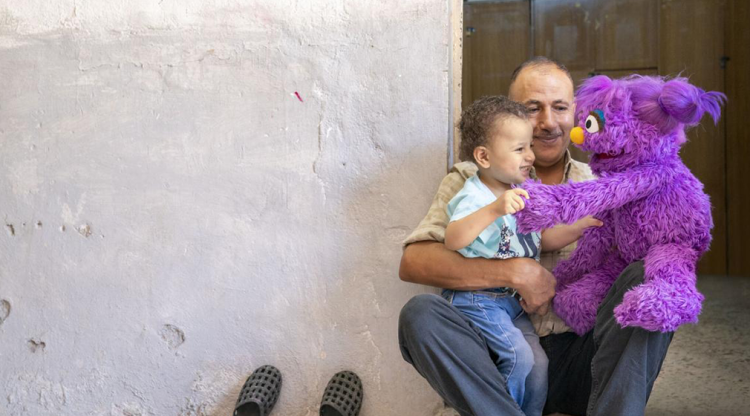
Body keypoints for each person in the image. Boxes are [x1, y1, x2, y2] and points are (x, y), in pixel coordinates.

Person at [397, 57, 674, 416]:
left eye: (559, 107)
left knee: (655, 280)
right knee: (421, 315)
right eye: (532, 108)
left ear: (575, 111)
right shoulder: (472, 182)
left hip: (584, 354)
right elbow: (415, 261)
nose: (547, 122)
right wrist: (514, 272)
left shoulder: (600, 184)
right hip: (498, 353)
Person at [443, 95, 602, 416]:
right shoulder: (475, 194)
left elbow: (544, 239)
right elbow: (453, 238)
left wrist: (584, 224)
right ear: (484, 157)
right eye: (519, 149)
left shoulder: (522, 190)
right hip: (478, 300)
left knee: (538, 363)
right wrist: (493, 209)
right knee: (520, 358)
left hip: (511, 304)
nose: (530, 156)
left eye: (528, 146)